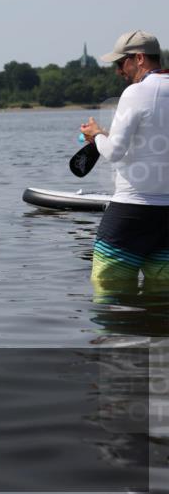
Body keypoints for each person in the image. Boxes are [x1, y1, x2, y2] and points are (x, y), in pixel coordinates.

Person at [79, 30, 168, 301]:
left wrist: (96, 135)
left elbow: (115, 152)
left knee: (108, 295)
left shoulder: (136, 92)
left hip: (132, 213)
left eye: (121, 63)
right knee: (162, 298)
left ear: (139, 59)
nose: (119, 71)